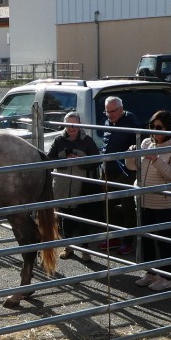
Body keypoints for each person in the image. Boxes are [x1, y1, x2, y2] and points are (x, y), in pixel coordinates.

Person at [128, 109, 171, 290]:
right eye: (151, 126)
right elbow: (131, 167)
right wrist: (131, 154)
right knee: (146, 239)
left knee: (164, 239)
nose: (154, 130)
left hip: (164, 203)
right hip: (143, 200)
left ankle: (166, 277)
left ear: (168, 128)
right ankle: (150, 272)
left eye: (158, 127)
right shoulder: (145, 143)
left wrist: (156, 160)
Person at [47, 111, 101, 259]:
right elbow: (49, 159)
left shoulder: (87, 141)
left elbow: (97, 160)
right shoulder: (59, 141)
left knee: (82, 218)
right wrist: (64, 160)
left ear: (79, 125)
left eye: (74, 124)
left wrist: (80, 162)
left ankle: (85, 250)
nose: (71, 128)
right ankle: (68, 247)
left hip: (81, 186)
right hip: (62, 186)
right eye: (68, 124)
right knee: (65, 218)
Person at [99, 95, 140, 254]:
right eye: (107, 112)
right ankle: (113, 237)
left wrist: (133, 148)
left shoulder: (130, 120)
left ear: (121, 109)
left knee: (127, 206)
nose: (110, 114)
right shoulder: (108, 121)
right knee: (108, 206)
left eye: (113, 111)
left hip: (125, 171)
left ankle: (128, 241)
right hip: (107, 170)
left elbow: (139, 136)